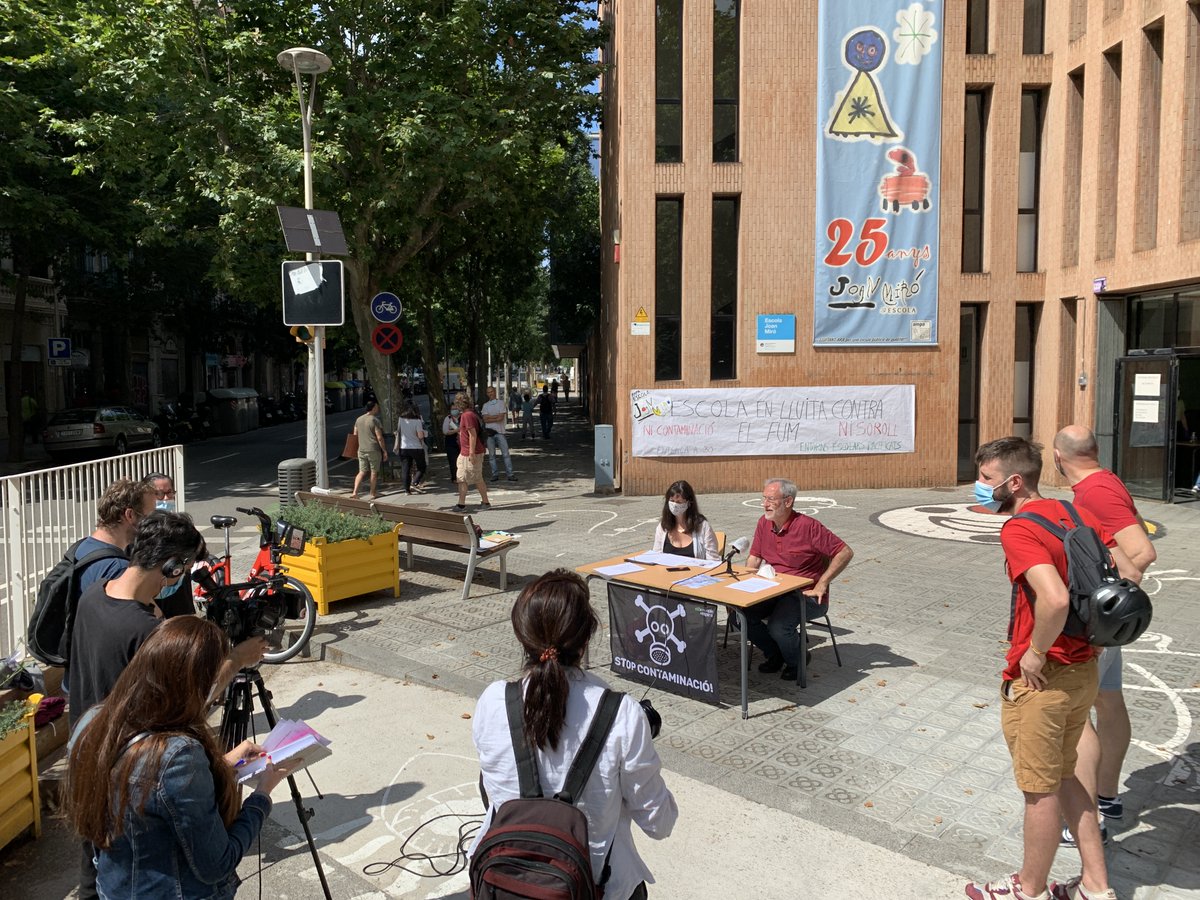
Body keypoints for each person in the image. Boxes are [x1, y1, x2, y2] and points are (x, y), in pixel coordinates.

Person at [68, 511, 267, 899]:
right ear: (173, 566)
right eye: (187, 569)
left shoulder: (96, 595)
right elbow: (186, 701)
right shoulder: (146, 633)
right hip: (135, 765)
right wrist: (237, 660)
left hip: (93, 747)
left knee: (99, 870)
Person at [967, 436, 1133, 900]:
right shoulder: (1074, 512)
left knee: (1038, 790)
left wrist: (1034, 652)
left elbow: (1056, 599)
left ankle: (1029, 888)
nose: (980, 487)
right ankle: (1096, 887)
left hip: (1046, 677)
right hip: (1085, 668)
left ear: (1014, 482)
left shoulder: (1019, 529)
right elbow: (1117, 572)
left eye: (986, 479)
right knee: (1066, 778)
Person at [470, 570, 677, 900]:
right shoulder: (622, 714)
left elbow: (491, 790)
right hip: (603, 887)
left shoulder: (493, 701)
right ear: (585, 642)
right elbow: (659, 823)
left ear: (522, 637)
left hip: (505, 883)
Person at [67, 617, 296, 900]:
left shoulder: (92, 722)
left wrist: (223, 765)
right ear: (192, 685)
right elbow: (217, 863)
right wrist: (262, 796)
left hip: (114, 889)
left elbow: (146, 793)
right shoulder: (179, 756)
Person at [1052, 425, 1157, 849]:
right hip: (1107, 620)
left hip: (1098, 622)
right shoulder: (1104, 480)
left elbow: (1142, 553)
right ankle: (1109, 798)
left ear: (1059, 459)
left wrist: (1106, 592)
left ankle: (1088, 817)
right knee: (1107, 700)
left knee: (1080, 714)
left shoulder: (1095, 492)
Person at [743, 478, 853, 681]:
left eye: (771, 499)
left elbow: (844, 552)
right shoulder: (763, 523)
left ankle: (797, 660)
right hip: (773, 591)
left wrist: (822, 583)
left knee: (778, 626)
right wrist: (741, 587)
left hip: (805, 595)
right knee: (741, 616)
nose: (764, 504)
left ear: (788, 501)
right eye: (763, 498)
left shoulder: (808, 527)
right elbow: (755, 558)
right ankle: (776, 653)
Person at [141, 473, 195, 618]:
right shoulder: (141, 530)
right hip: (154, 606)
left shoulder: (180, 526)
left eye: (169, 492)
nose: (166, 498)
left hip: (180, 603)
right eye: (159, 494)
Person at [651, 480, 720, 560]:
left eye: (679, 502)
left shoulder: (703, 526)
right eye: (672, 501)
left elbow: (713, 560)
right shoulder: (663, 527)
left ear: (689, 502)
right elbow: (656, 557)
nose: (675, 505)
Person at [453, 391, 491, 511]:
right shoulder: (470, 414)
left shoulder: (466, 416)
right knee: (477, 477)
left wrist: (471, 453)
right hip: (469, 451)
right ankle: (485, 502)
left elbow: (472, 435)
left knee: (462, 478)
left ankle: (461, 504)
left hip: (469, 452)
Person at [351, 399, 388, 500]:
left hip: (361, 449)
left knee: (362, 471)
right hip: (373, 449)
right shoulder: (374, 420)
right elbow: (379, 438)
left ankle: (355, 492)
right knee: (374, 472)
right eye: (377, 406)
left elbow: (355, 435)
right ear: (374, 407)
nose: (378, 408)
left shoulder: (358, 419)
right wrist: (384, 451)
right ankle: (372, 493)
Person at [481, 385, 517, 482]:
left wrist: (490, 418)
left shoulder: (501, 403)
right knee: (491, 455)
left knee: (506, 454)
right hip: (489, 434)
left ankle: (510, 474)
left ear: (495, 391)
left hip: (500, 432)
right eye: (488, 392)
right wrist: (495, 417)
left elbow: (501, 418)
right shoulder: (485, 405)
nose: (490, 394)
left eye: (491, 391)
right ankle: (495, 474)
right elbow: (485, 419)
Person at [392, 403, 428, 494]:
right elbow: (420, 436)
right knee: (422, 466)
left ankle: (406, 490)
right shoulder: (417, 421)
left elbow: (399, 431)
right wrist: (424, 433)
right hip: (416, 447)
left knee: (405, 468)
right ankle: (415, 481)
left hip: (403, 447)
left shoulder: (401, 420)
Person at [442, 404, 461, 484]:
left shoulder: (462, 417)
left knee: (462, 460)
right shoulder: (448, 418)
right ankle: (454, 477)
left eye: (456, 408)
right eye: (452, 409)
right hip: (451, 442)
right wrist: (456, 430)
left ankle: (463, 476)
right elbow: (445, 431)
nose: (454, 410)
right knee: (453, 460)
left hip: (462, 441)